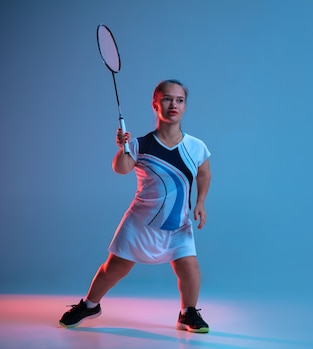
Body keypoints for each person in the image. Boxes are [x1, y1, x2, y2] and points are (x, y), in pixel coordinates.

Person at [59, 79, 212, 333]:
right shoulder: (140, 145)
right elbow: (122, 169)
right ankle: (89, 305)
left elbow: (204, 173)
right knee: (113, 269)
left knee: (189, 268)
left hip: (178, 223)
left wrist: (201, 202)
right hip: (141, 223)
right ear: (155, 104)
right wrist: (123, 148)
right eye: (166, 99)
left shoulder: (195, 146)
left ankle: (188, 313)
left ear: (184, 106)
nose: (173, 104)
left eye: (179, 100)